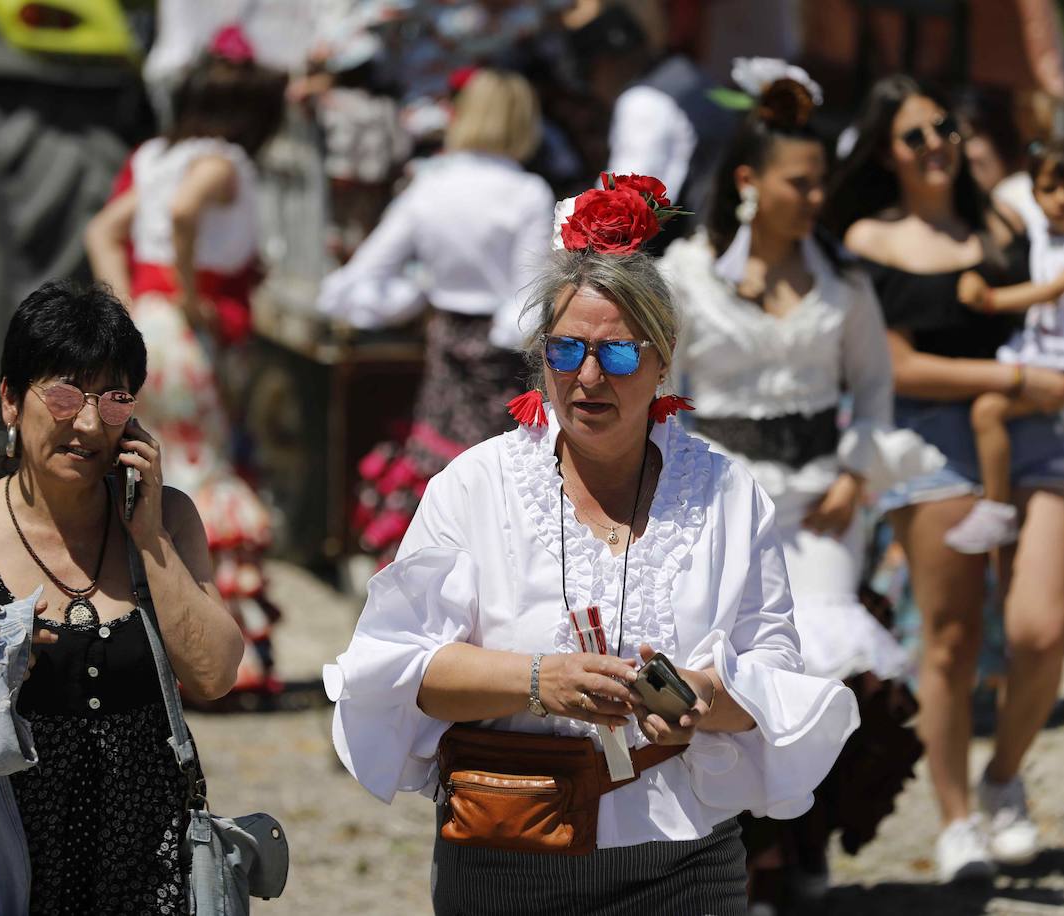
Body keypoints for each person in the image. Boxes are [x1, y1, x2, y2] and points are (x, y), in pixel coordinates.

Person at [324, 175, 858, 915]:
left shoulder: (726, 496)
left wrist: (700, 698)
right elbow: (400, 666)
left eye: (616, 355)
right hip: (507, 850)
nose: (584, 378)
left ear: (664, 359)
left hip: (683, 855)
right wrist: (540, 680)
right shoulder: (475, 487)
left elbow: (773, 675)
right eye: (565, 349)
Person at [659, 60, 934, 906]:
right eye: (800, 183)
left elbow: (878, 389)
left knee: (820, 656)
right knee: (724, 671)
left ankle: (805, 840)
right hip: (715, 504)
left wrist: (858, 472)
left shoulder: (844, 284)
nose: (817, 197)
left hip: (820, 505)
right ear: (749, 181)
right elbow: (662, 399)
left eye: (821, 183)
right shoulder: (685, 278)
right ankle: (744, 855)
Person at [824, 75, 1064, 882]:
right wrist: (1009, 381)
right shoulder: (871, 240)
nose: (935, 143)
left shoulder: (1004, 220)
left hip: (1033, 431)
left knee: (1040, 631)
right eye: (914, 135)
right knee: (948, 640)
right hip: (934, 439)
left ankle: (1004, 775)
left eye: (942, 126)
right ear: (885, 152)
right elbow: (901, 365)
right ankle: (956, 823)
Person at [0, 281, 244, 913]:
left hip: (142, 865)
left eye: (115, 399)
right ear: (12, 401)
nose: (91, 423)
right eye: (66, 395)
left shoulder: (167, 520)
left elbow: (213, 674)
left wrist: (148, 536)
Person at [85, 30, 287, 697]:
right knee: (205, 473)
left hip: (152, 329)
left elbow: (102, 232)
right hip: (191, 334)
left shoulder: (153, 156)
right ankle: (225, 652)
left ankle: (148, 634)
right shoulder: (221, 162)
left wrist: (132, 308)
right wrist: (192, 299)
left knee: (160, 471)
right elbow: (184, 211)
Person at [317, 69, 554, 568]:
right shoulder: (528, 191)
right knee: (503, 485)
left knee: (440, 470)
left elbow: (353, 283)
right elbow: (529, 299)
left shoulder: (431, 185)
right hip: (505, 359)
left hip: (446, 338)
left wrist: (407, 297)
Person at [943, 138, 1064, 553]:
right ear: (1034, 193)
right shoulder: (1048, 235)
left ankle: (995, 507)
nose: (1062, 200)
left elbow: (1053, 291)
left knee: (987, 411)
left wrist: (989, 300)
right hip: (1048, 352)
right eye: (1050, 189)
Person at [569, 5, 738, 247]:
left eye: (588, 78)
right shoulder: (690, 75)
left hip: (691, 259)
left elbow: (622, 210)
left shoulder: (643, 102)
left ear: (603, 65)